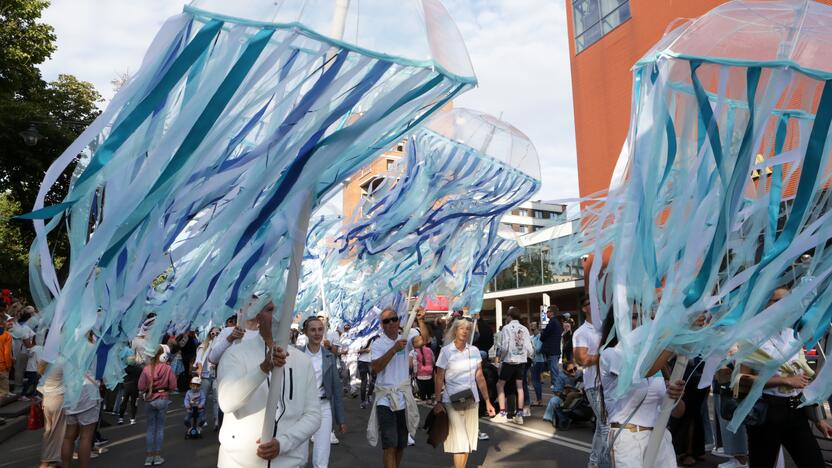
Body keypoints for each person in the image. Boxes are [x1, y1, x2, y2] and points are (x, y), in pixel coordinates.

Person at [216, 301, 321, 468]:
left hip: (290, 463)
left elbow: (313, 414)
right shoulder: (235, 355)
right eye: (271, 310)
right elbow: (226, 401)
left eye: (284, 309)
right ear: (258, 316)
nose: (279, 315)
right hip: (239, 463)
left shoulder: (302, 361)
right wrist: (263, 369)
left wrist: (284, 443)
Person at [741, 288, 832, 468]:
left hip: (795, 412)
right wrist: (783, 381)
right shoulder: (752, 337)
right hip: (766, 412)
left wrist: (818, 418)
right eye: (778, 301)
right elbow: (741, 379)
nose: (785, 306)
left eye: (789, 301)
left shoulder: (793, 336)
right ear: (766, 305)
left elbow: (802, 382)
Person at [599, 310, 685, 468]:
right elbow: (643, 371)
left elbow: (678, 412)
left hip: (660, 439)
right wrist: (675, 336)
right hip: (628, 441)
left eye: (644, 317)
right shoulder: (611, 355)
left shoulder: (660, 365)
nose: (641, 322)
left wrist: (676, 396)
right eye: (633, 317)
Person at [368, 307, 431, 468]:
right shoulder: (378, 343)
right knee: (390, 444)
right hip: (385, 400)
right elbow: (376, 367)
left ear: (398, 320)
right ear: (382, 325)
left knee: (401, 444)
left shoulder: (407, 336)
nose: (391, 323)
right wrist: (394, 349)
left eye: (394, 319)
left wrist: (421, 320)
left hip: (403, 398)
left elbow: (423, 340)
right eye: (386, 321)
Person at [433, 317, 496, 468]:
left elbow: (479, 376)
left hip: (471, 399)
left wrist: (487, 401)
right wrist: (438, 400)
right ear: (455, 330)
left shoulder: (474, 351)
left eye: (467, 329)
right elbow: (439, 376)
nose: (465, 331)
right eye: (462, 328)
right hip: (451, 401)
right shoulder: (446, 351)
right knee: (460, 441)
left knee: (467, 441)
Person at [299, 316, 347, 468]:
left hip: (323, 406)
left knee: (322, 454)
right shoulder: (297, 355)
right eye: (313, 330)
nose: (317, 333)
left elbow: (336, 389)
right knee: (299, 455)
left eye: (320, 329)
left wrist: (341, 419)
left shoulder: (329, 356)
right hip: (301, 408)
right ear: (306, 332)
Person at [573, 296, 609, 468]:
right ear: (584, 309)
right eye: (590, 304)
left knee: (604, 426)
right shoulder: (581, 332)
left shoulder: (606, 328)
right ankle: (599, 463)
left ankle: (596, 462)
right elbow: (582, 360)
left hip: (611, 382)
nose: (594, 307)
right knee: (605, 425)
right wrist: (605, 358)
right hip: (594, 385)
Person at [62, 332, 102, 468]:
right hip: (87, 391)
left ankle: (65, 465)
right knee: (86, 436)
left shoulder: (65, 347)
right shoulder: (92, 346)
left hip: (69, 391)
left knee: (69, 435)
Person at [492, 307, 533, 424]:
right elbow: (529, 347)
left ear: (510, 316)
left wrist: (501, 358)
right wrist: (528, 356)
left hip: (509, 360)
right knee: (519, 387)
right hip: (521, 360)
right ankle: (519, 415)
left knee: (500, 385)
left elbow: (504, 346)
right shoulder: (524, 328)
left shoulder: (506, 328)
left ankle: (502, 413)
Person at [138, 345, 177, 466]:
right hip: (162, 398)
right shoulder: (168, 368)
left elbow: (140, 386)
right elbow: (173, 385)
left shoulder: (146, 369)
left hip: (150, 399)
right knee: (159, 429)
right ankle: (157, 456)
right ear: (162, 355)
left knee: (150, 429)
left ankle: (149, 458)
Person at [38, 357, 65, 468]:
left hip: (47, 399)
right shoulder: (62, 362)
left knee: (49, 431)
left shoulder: (44, 361)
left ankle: (52, 459)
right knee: (57, 432)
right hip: (58, 398)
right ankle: (47, 460)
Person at [193, 326, 220, 430]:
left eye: (218, 334)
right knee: (202, 399)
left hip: (216, 376)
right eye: (213, 333)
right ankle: (202, 419)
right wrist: (199, 370)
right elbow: (199, 361)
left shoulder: (221, 346)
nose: (215, 336)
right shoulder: (203, 346)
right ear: (209, 334)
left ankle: (216, 421)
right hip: (205, 376)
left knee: (216, 400)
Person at [540, 305, 563, 394]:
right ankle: (557, 386)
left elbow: (543, 336)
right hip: (555, 350)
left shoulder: (552, 322)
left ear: (552, 313)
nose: (546, 313)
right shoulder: (556, 322)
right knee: (554, 369)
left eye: (548, 312)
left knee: (553, 369)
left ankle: (557, 387)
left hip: (552, 350)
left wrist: (543, 333)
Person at [118, 355, 142, 425]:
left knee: (123, 402)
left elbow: (121, 378)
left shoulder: (124, 369)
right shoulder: (139, 369)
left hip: (126, 387)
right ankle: (132, 419)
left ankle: (120, 418)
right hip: (135, 387)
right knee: (134, 403)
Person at [411, 335, 435, 404]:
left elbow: (415, 363)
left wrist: (414, 372)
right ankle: (429, 398)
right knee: (428, 386)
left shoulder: (415, 352)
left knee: (422, 388)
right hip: (429, 372)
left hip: (420, 374)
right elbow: (433, 359)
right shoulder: (429, 349)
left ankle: (423, 398)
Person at [357, 335, 378, 409]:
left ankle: (369, 394)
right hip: (362, 362)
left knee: (374, 380)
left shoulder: (377, 337)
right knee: (364, 382)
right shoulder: (361, 338)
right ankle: (363, 401)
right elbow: (357, 350)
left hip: (371, 362)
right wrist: (365, 350)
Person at [530, 323, 545, 407]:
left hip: (538, 361)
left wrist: (531, 345)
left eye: (533, 324)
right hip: (533, 361)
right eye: (530, 325)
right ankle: (538, 400)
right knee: (535, 381)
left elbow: (538, 349)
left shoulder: (539, 336)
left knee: (536, 381)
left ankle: (539, 400)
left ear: (537, 326)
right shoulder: (532, 337)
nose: (531, 326)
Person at [0, 316, 13, 400]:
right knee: (4, 393)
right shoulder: (7, 335)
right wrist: (9, 365)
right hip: (2, 365)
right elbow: (7, 352)